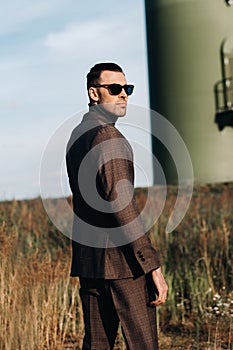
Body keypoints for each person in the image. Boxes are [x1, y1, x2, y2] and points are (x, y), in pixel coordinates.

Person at [66, 62, 168, 350]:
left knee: (97, 344)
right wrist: (152, 266)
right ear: (94, 93)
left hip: (91, 263)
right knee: (143, 344)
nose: (123, 95)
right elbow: (122, 205)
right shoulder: (108, 136)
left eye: (127, 89)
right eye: (114, 89)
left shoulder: (78, 135)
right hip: (123, 266)